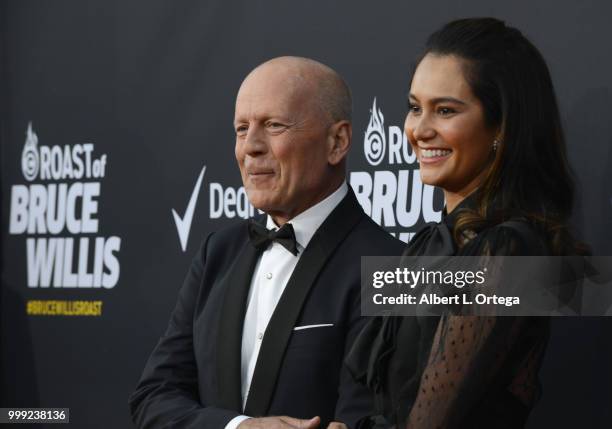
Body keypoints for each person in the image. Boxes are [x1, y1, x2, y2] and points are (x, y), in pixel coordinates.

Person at [129, 56, 405, 429]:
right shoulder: (218, 253)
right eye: (241, 129)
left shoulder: (390, 266)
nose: (250, 148)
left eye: (274, 126)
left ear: (337, 142)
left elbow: (368, 418)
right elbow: (153, 399)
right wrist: (239, 427)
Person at [346, 18, 586, 428]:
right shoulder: (424, 245)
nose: (419, 130)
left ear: (501, 128)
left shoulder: (508, 251)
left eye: (445, 110)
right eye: (414, 107)